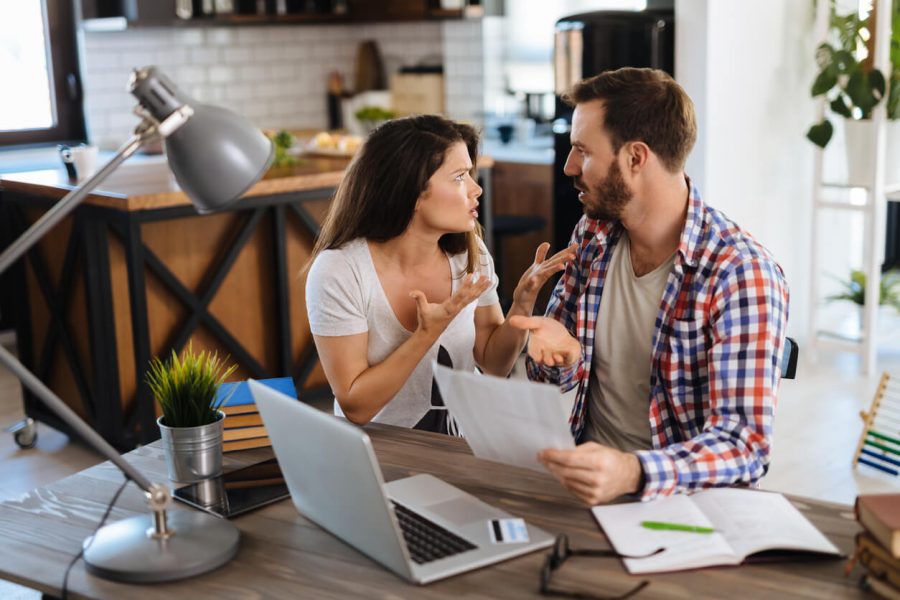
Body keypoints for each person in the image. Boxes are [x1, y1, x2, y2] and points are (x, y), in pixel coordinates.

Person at [509, 68, 789, 504]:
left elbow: (743, 447)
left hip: (682, 502)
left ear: (636, 158)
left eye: (583, 150)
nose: (569, 167)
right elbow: (554, 383)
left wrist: (631, 471)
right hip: (581, 481)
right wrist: (561, 360)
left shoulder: (740, 274)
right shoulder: (593, 235)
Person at [306, 114, 575, 434]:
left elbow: (493, 364)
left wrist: (522, 304)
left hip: (464, 443)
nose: (477, 189)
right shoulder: (340, 270)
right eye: (460, 176)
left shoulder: (467, 251)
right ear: (412, 192)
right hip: (380, 453)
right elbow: (356, 407)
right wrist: (426, 335)